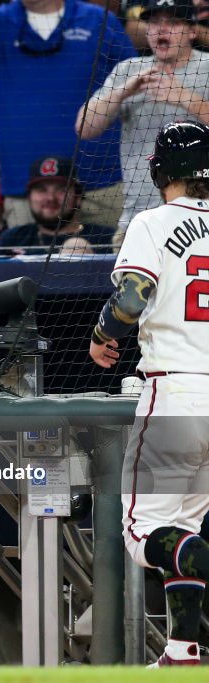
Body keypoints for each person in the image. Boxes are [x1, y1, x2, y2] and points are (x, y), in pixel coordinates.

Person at [89, 120, 209, 668]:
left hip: (175, 392)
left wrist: (102, 335)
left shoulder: (153, 221)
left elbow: (133, 296)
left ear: (160, 169)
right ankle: (184, 650)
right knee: (182, 527)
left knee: (142, 534)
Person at [0, 0, 137, 231]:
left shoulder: (99, 20)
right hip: (25, 190)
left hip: (102, 184)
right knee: (25, 267)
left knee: (111, 265)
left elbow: (134, 82)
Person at [76, 0, 209, 241]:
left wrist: (189, 100)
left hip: (202, 220)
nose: (161, 29)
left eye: (173, 22)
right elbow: (84, 128)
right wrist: (122, 92)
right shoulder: (128, 71)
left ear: (192, 30)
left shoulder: (207, 68)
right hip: (139, 220)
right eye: (155, 22)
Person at [0, 156, 116, 254]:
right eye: (41, 190)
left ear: (78, 197)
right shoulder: (12, 239)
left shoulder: (106, 238)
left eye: (61, 190)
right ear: (29, 197)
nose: (50, 198)